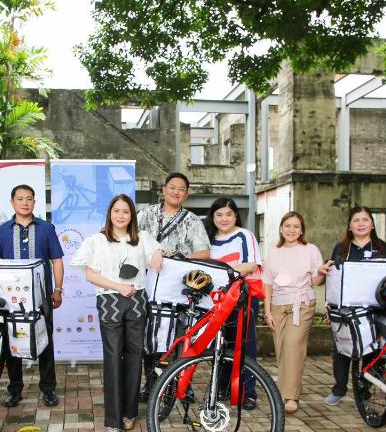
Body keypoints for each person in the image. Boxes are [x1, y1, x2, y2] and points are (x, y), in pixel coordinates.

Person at [72, 195, 164, 432]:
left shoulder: (141, 238)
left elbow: (156, 249)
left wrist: (157, 252)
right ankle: (113, 421)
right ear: (109, 213)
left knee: (135, 356)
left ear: (132, 215)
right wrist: (118, 286)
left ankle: (129, 414)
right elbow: (91, 275)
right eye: (116, 211)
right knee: (113, 357)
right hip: (110, 299)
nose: (121, 215)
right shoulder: (97, 241)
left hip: (137, 301)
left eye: (126, 211)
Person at [0, 184, 64, 408]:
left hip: (41, 298)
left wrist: (57, 290)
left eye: (29, 198)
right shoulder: (0, 231)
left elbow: (57, 260)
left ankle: (48, 389)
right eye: (20, 199)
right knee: (12, 343)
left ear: (34, 202)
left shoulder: (47, 229)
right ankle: (15, 390)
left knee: (45, 341)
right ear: (12, 203)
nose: (24, 202)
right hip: (11, 301)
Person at [137, 172, 210, 400]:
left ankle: (181, 384)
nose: (176, 191)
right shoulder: (146, 215)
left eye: (181, 189)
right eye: (172, 187)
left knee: (180, 334)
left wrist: (178, 258)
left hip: (180, 287)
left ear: (186, 194)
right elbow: (131, 241)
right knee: (150, 334)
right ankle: (151, 383)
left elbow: (205, 252)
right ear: (164, 189)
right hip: (149, 284)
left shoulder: (192, 220)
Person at [319, 206, 386, 406]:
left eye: (365, 220)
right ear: (349, 226)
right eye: (356, 220)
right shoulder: (341, 248)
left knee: (373, 350)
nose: (361, 224)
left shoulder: (384, 248)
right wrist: (330, 308)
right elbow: (333, 280)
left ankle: (365, 390)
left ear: (372, 224)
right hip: (346, 310)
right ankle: (340, 389)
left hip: (375, 309)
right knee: (342, 350)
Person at [262, 212, 324, 414]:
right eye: (287, 226)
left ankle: (291, 397)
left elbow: (316, 280)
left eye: (296, 226)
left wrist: (321, 273)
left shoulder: (310, 250)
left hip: (302, 303)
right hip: (278, 304)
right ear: (281, 229)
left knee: (293, 347)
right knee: (281, 349)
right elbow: (268, 283)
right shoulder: (273, 251)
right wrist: (267, 310)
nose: (291, 230)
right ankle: (283, 391)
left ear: (302, 230)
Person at [206, 197, 262, 410]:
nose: (224, 219)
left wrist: (225, 273)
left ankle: (248, 392)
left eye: (228, 214)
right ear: (213, 217)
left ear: (236, 215)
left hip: (241, 298)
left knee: (245, 345)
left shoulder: (244, 235)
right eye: (219, 214)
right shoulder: (208, 239)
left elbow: (251, 264)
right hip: (216, 300)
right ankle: (221, 388)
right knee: (220, 344)